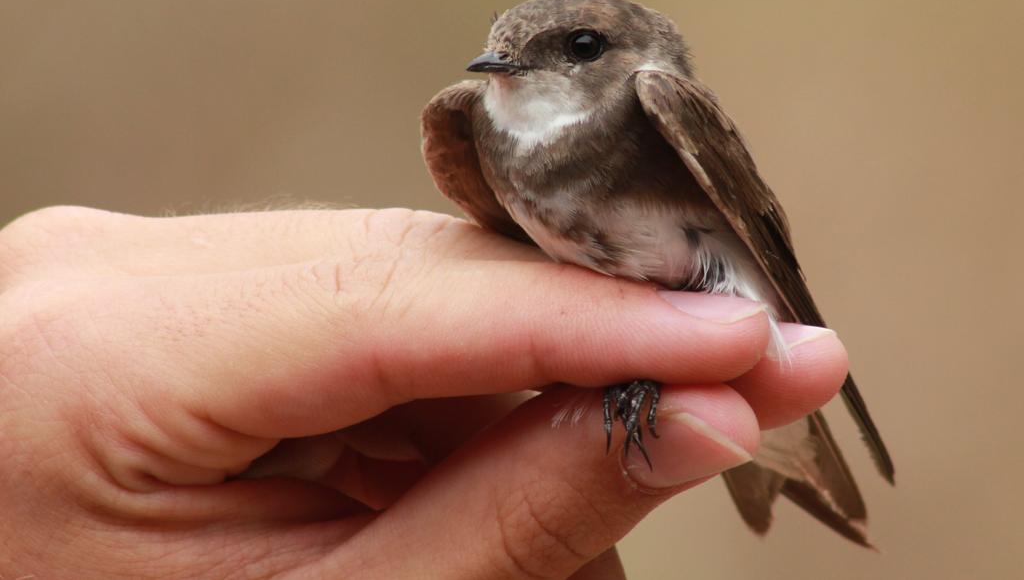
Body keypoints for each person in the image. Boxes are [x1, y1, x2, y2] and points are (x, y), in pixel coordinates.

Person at [0, 206, 847, 578]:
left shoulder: (654, 105)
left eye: (575, 52)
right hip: (639, 347)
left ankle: (789, 462)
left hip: (725, 327)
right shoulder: (490, 123)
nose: (501, 71)